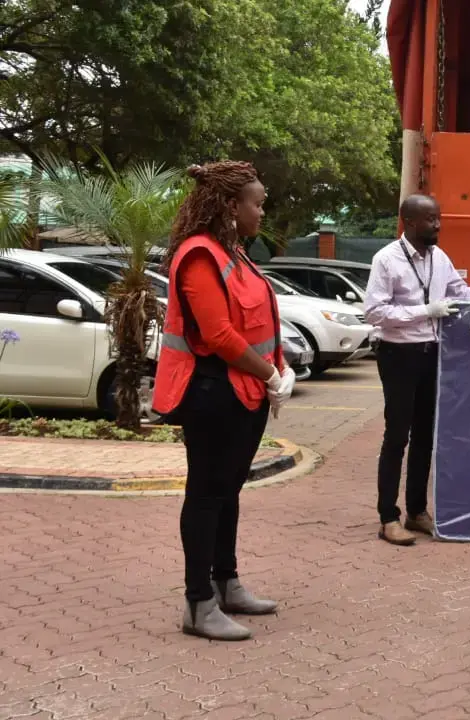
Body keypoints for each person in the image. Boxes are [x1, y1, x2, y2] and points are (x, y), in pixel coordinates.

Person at [154, 161, 296, 642]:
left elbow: (258, 323)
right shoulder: (199, 256)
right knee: (207, 494)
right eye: (257, 203)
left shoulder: (233, 253)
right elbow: (217, 334)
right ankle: (198, 603)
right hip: (212, 392)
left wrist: (281, 367)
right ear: (230, 207)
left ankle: (226, 582)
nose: (262, 211)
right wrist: (270, 373)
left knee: (228, 492)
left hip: (245, 392)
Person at [364, 194, 470, 546]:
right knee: (398, 435)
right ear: (409, 222)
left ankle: (416, 510)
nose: (438, 225)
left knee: (426, 434)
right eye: (431, 220)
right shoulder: (386, 260)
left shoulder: (438, 258)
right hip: (398, 354)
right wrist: (425, 311)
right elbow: (375, 313)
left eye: (439, 218)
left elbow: (463, 293)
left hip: (431, 354)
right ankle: (387, 517)